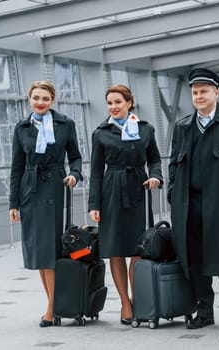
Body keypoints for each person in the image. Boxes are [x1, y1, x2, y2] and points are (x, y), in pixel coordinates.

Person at [168, 68, 219, 330]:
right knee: (195, 260)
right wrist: (172, 193)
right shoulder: (182, 127)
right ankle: (204, 311)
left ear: (216, 92)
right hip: (188, 204)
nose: (199, 96)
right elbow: (173, 164)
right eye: (195, 92)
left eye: (204, 91)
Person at [9, 80, 83, 327]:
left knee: (50, 248)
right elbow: (16, 167)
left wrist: (75, 174)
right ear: (29, 99)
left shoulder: (65, 124)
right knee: (40, 252)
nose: (40, 102)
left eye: (45, 98)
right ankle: (52, 304)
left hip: (53, 185)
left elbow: (75, 157)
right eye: (36, 98)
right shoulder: (21, 127)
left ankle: (52, 308)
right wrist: (13, 203)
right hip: (29, 189)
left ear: (52, 101)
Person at [88, 84, 163, 326]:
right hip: (111, 191)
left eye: (118, 102)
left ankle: (138, 297)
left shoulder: (146, 129)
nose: (113, 107)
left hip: (138, 189)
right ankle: (125, 302)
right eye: (110, 103)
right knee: (116, 249)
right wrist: (94, 204)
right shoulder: (101, 132)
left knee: (138, 248)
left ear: (129, 103)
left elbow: (154, 158)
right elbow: (96, 172)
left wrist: (156, 176)